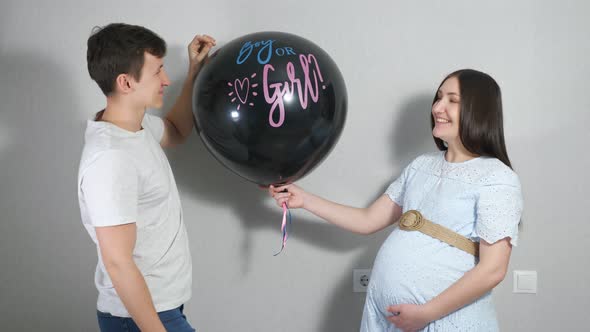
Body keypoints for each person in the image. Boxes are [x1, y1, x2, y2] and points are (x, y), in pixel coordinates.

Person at [269, 69, 523, 331]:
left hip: (444, 321)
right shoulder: (420, 166)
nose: (437, 107)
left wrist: (426, 314)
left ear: (478, 111)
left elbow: (493, 269)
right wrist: (304, 199)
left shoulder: (497, 178)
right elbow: (367, 220)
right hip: (387, 320)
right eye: (438, 98)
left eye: (452, 100)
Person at [77, 23, 215, 332]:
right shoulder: (111, 158)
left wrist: (194, 72)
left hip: (161, 305)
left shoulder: (137, 129)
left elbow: (177, 130)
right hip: (139, 315)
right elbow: (118, 262)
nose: (166, 80)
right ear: (126, 82)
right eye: (157, 72)